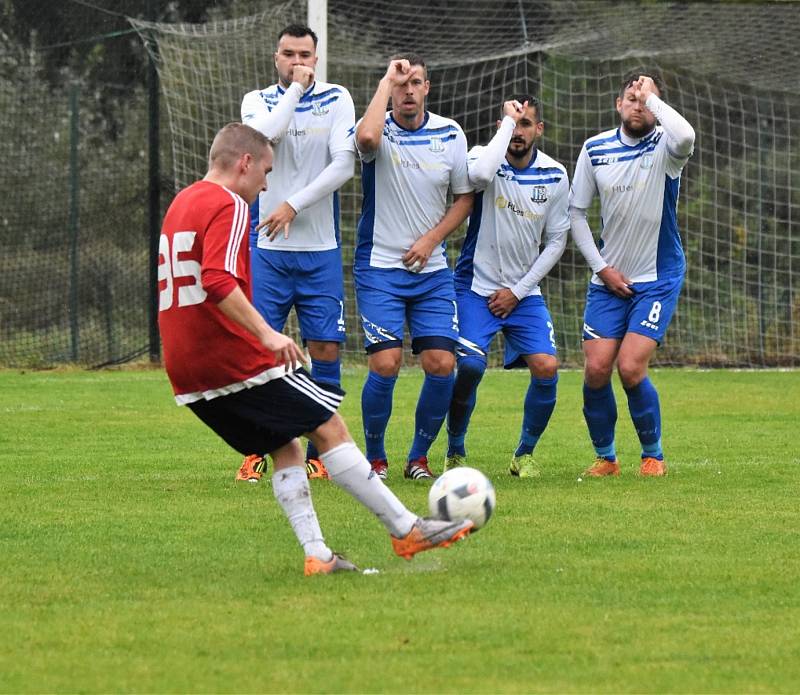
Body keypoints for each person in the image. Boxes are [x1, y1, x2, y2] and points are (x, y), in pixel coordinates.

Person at [157, 123, 473, 575]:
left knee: (286, 445)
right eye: (265, 171)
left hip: (185, 369)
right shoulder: (225, 202)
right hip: (230, 359)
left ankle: (318, 556)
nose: (266, 184)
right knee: (328, 426)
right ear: (244, 162)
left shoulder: (182, 202)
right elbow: (217, 280)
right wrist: (268, 335)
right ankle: (407, 529)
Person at [238, 24, 356, 482]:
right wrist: (294, 90)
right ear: (276, 58)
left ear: (317, 58)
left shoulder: (337, 98)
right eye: (288, 54)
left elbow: (344, 164)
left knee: (324, 347)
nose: (297, 62)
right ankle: (256, 449)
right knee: (259, 348)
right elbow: (265, 136)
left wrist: (294, 204)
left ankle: (319, 454)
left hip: (319, 249)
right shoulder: (258, 101)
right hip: (267, 249)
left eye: (304, 55)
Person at [569, 70, 695, 477]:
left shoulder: (667, 147)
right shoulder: (594, 149)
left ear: (658, 108)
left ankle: (652, 455)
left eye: (646, 99)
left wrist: (653, 98)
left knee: (631, 366)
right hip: (608, 279)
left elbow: (688, 136)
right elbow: (575, 213)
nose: (638, 103)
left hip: (657, 277)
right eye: (631, 97)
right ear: (617, 105)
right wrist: (602, 268)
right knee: (596, 369)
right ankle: (606, 458)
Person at [354, 54, 474, 481]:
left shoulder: (450, 133)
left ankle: (418, 459)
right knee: (385, 364)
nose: (408, 91)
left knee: (442, 364)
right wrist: (386, 79)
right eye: (401, 84)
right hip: (380, 269)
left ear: (427, 88)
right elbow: (365, 140)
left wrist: (431, 239)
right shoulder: (378, 127)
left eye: (415, 83)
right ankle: (374, 460)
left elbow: (464, 197)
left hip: (432, 272)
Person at [445, 97, 569, 478]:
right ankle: (455, 449)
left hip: (523, 293)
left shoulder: (555, 175)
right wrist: (505, 123)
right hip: (474, 287)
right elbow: (480, 177)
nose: (518, 131)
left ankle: (524, 454)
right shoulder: (485, 156)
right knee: (468, 366)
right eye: (513, 124)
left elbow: (556, 241)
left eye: (526, 124)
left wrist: (518, 290)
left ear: (539, 129)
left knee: (547, 367)